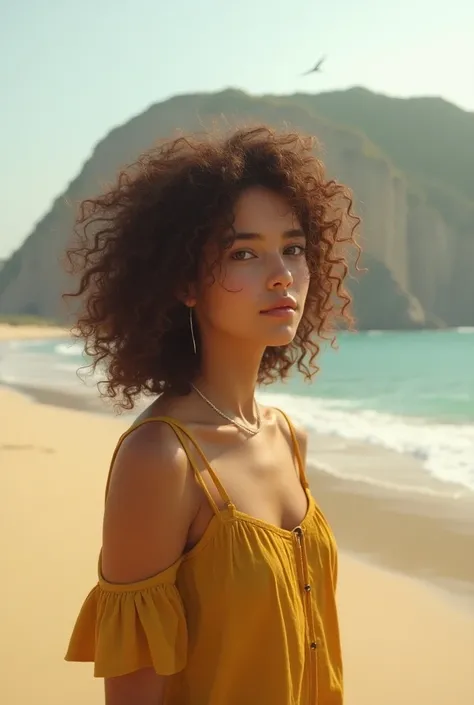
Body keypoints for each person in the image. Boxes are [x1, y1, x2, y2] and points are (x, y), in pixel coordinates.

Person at [63, 125, 360, 705]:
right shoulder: (160, 459)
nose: (281, 274)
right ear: (185, 282)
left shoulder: (286, 437)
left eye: (293, 248)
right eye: (243, 253)